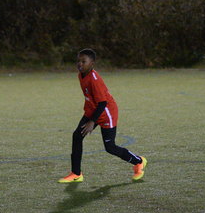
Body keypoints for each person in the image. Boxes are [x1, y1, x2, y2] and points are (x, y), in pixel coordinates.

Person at [58, 48, 147, 183]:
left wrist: (92, 122)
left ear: (92, 63)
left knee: (110, 147)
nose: (80, 64)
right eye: (78, 61)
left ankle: (138, 161)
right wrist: (90, 117)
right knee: (77, 136)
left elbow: (103, 102)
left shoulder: (95, 79)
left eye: (83, 61)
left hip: (106, 113)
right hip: (92, 111)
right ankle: (76, 173)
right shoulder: (81, 75)